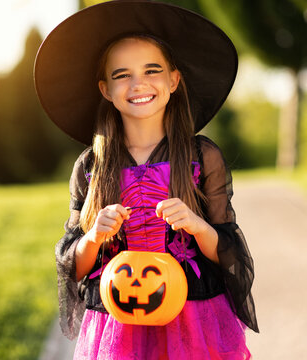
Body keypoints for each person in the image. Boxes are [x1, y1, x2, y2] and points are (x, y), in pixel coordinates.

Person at [34, 1, 258, 359]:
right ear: (105, 88)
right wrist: (93, 237)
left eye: (152, 70)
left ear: (173, 81)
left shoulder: (201, 156)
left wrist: (197, 226)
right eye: (122, 74)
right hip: (118, 320)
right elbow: (73, 265)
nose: (138, 83)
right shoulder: (92, 166)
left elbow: (229, 252)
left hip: (193, 318)